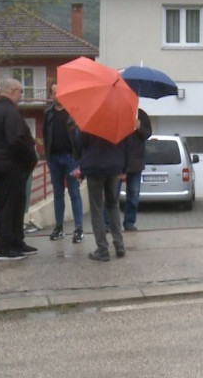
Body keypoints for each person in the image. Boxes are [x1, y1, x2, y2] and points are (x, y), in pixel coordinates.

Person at [0, 78, 39, 261]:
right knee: (9, 207)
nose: (21, 96)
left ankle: (16, 242)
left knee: (9, 205)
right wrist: (30, 156)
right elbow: (15, 140)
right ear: (13, 91)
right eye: (21, 92)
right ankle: (5, 248)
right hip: (12, 165)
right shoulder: (10, 112)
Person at [76, 129, 129, 262]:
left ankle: (102, 249)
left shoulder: (90, 121)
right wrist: (124, 168)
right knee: (113, 204)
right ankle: (119, 244)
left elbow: (79, 142)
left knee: (96, 208)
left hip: (94, 166)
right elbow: (126, 144)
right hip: (114, 166)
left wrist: (81, 169)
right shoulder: (116, 120)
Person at [43, 82, 85, 243]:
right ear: (51, 95)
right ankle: (59, 227)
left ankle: (79, 228)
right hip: (54, 158)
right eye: (54, 92)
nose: (57, 95)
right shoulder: (48, 113)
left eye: (60, 92)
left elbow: (80, 137)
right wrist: (47, 155)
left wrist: (80, 160)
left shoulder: (72, 112)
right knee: (57, 193)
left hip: (71, 158)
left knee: (74, 193)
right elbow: (46, 136)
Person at [120, 109, 151, 231]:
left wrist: (139, 127)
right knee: (112, 194)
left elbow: (147, 134)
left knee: (133, 194)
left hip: (136, 162)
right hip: (119, 160)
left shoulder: (142, 115)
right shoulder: (119, 112)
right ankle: (107, 223)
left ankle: (129, 222)